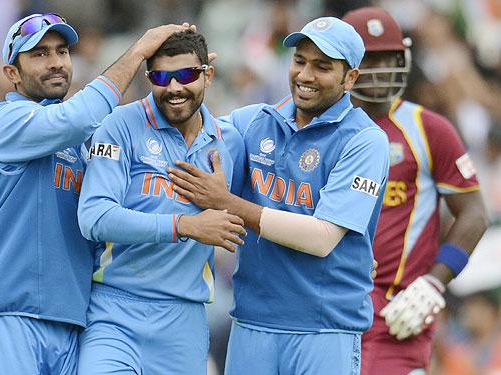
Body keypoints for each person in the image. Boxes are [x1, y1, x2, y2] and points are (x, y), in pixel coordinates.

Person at [0, 13, 191, 375]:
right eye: (38, 54)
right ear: (11, 74)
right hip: (5, 316)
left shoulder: (84, 144)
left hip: (70, 321)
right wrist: (137, 51)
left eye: (62, 51)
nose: (55, 62)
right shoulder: (5, 120)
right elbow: (76, 118)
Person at [168, 16, 390, 374]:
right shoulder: (254, 121)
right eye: (300, 60)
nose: (305, 75)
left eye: (322, 66)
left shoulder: (365, 140)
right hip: (252, 321)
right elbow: (186, 138)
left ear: (351, 78)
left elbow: (321, 238)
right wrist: (183, 74)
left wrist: (227, 203)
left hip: (325, 327)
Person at [76, 30, 246, 375]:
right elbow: (94, 217)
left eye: (185, 75)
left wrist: (348, 253)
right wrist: (185, 226)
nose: (173, 88)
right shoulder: (120, 125)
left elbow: (270, 208)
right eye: (161, 77)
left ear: (207, 75)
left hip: (183, 320)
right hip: (115, 311)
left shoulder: (231, 142)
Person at [342, 6, 489, 375]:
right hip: (327, 305)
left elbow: (473, 213)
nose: (379, 69)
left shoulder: (429, 128)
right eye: (368, 59)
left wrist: (435, 282)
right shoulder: (315, 128)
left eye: (387, 57)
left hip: (397, 309)